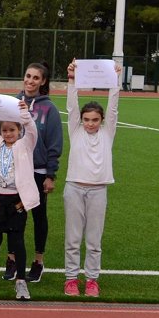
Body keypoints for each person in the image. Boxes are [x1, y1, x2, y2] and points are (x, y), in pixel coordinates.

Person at [63, 60, 120, 298]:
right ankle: (71, 279)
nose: (90, 124)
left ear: (102, 120)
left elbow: (114, 108)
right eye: (87, 119)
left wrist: (115, 81)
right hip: (74, 188)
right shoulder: (75, 129)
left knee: (94, 240)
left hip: (98, 190)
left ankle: (92, 280)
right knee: (73, 238)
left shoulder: (108, 132)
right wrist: (72, 79)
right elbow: (72, 107)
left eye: (95, 120)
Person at [3, 62, 63, 283]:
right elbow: (2, 133)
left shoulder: (50, 109)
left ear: (43, 81)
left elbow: (55, 143)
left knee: (38, 216)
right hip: (14, 169)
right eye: (28, 76)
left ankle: (38, 261)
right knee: (13, 215)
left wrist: (50, 174)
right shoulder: (11, 103)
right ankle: (11, 259)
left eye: (36, 78)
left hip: (37, 171)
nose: (30, 81)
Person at [0, 97, 39, 300]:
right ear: (0, 131)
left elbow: (33, 130)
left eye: (12, 130)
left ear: (19, 130)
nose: (8, 134)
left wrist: (25, 114)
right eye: (4, 130)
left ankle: (21, 281)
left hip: (16, 201)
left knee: (17, 241)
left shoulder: (25, 145)